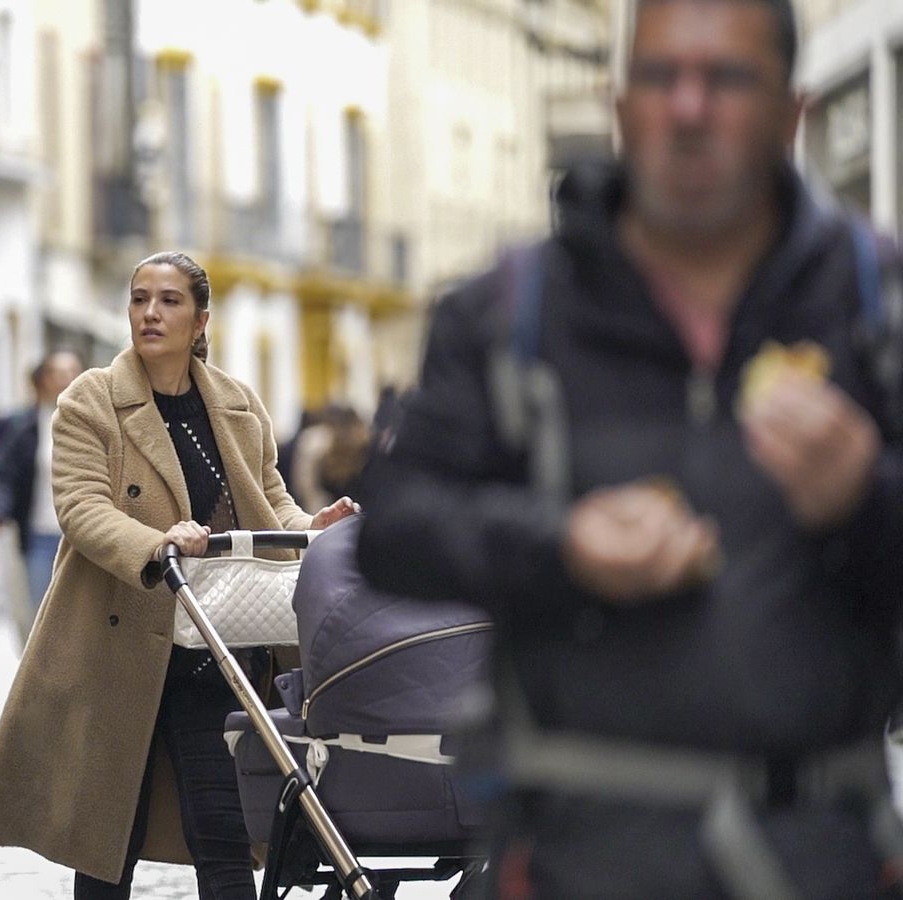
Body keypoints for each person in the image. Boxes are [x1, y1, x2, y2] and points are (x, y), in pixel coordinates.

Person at [355, 1, 903, 896]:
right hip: (580, 853)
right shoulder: (504, 314)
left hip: (818, 853)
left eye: (726, 78)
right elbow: (396, 526)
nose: (688, 107)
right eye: (659, 77)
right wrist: (559, 544)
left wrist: (864, 496)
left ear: (792, 110)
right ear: (619, 106)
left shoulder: (877, 302)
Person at [0, 251, 356, 899]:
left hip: (218, 646)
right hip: (122, 645)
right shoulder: (92, 399)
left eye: (169, 300)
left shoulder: (235, 401)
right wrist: (157, 544)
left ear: (201, 318)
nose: (150, 312)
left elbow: (267, 498)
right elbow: (81, 506)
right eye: (140, 298)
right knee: (106, 843)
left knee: (224, 835)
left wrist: (313, 525)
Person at [0, 348, 85, 644]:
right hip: (39, 534)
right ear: (43, 380)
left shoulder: (94, 422)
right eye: (57, 374)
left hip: (83, 538)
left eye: (71, 372)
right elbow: (1, 473)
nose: (65, 380)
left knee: (78, 621)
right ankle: (44, 688)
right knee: (40, 620)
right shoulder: (25, 425)